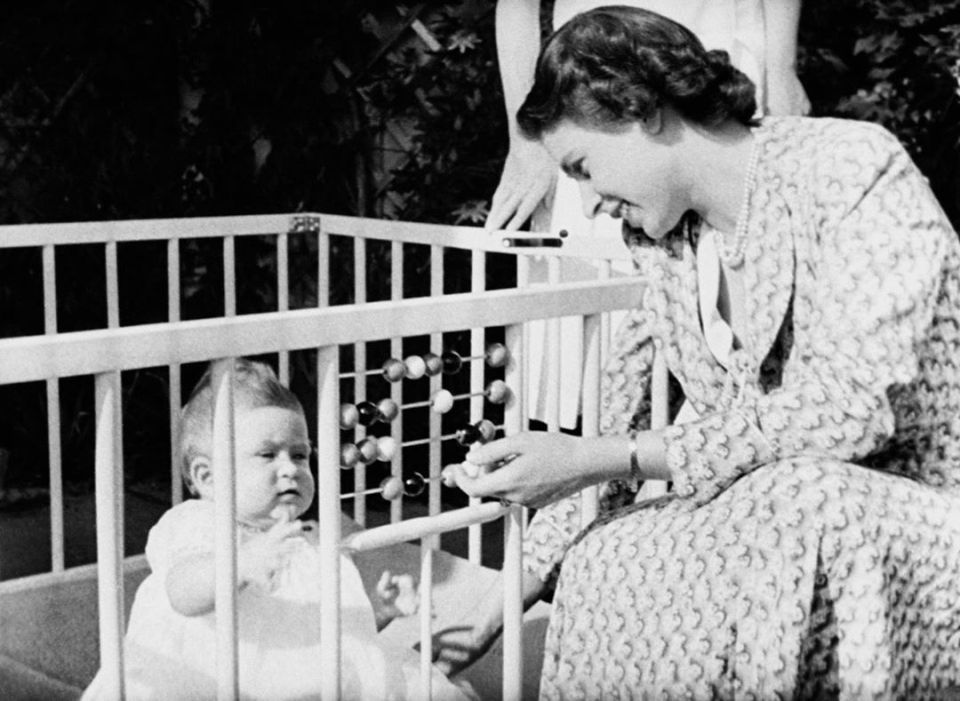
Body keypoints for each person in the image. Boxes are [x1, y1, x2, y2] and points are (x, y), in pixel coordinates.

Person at [443, 6, 960, 697]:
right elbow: (600, 452)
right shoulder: (664, 244)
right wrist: (489, 613)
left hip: (920, 520)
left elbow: (850, 413)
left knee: (797, 493)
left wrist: (618, 454)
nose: (591, 202)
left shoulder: (851, 168)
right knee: (608, 552)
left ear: (643, 111)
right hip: (791, 520)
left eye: (585, 167)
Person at [489, 0, 809, 431]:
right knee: (602, 322)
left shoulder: (857, 171)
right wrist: (531, 140)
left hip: (717, 59)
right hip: (593, 79)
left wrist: (783, 65)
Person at [83, 358, 471, 701]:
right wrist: (241, 563)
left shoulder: (310, 537)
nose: (290, 468)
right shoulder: (199, 524)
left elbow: (327, 629)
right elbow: (181, 591)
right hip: (214, 679)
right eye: (267, 455)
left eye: (300, 455)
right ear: (207, 476)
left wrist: (378, 610)